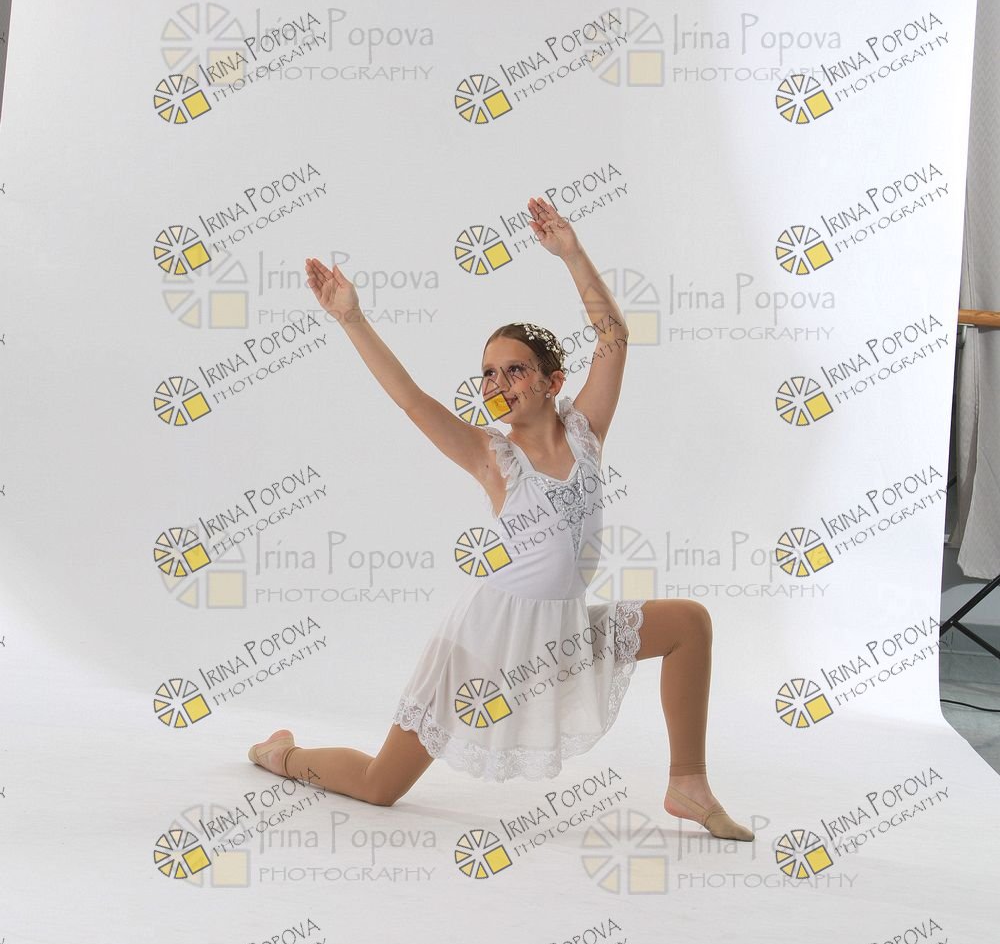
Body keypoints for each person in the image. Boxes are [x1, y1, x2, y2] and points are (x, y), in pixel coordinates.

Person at [249, 195, 753, 840]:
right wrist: (352, 319)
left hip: (564, 637)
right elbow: (410, 399)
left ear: (552, 380)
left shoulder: (586, 434)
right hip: (486, 645)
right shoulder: (492, 457)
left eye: (515, 369)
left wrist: (572, 254)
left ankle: (688, 784)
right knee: (380, 785)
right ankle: (281, 755)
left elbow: (614, 338)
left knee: (688, 623)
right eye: (488, 374)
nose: (499, 382)